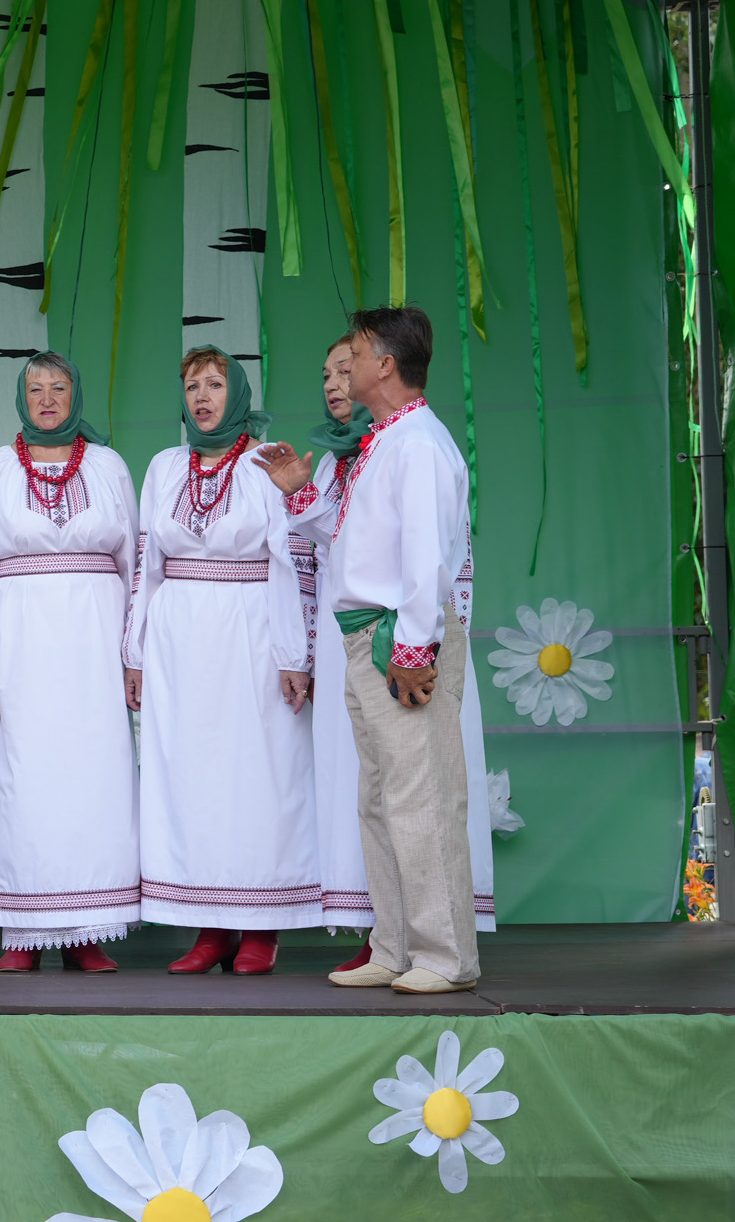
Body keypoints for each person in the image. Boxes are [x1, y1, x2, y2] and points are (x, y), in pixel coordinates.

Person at [255, 307, 480, 994]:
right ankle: (394, 945)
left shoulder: (418, 443)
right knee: (380, 798)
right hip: (365, 634)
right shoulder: (385, 441)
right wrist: (304, 496)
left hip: (395, 634)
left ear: (385, 365)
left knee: (421, 795)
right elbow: (361, 545)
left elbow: (425, 557)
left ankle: (445, 957)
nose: (342, 368)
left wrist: (412, 648)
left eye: (352, 355)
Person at [123, 346, 318, 974]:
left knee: (258, 774)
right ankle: (210, 928)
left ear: (237, 394)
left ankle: (261, 927)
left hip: (251, 631)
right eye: (192, 386)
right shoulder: (164, 466)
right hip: (179, 640)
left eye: (214, 384)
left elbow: (289, 561)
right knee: (192, 777)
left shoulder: (267, 464)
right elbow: (146, 565)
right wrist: (135, 653)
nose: (202, 397)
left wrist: (294, 653)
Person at [0, 353, 140, 973]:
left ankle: (86, 932)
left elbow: (136, 568)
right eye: (34, 388)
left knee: (93, 778)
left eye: (58, 387)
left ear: (74, 394)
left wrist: (133, 655)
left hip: (94, 646)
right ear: (21, 398)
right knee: (22, 778)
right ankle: (22, 932)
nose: (46, 398)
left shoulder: (109, 466)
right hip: (20, 648)